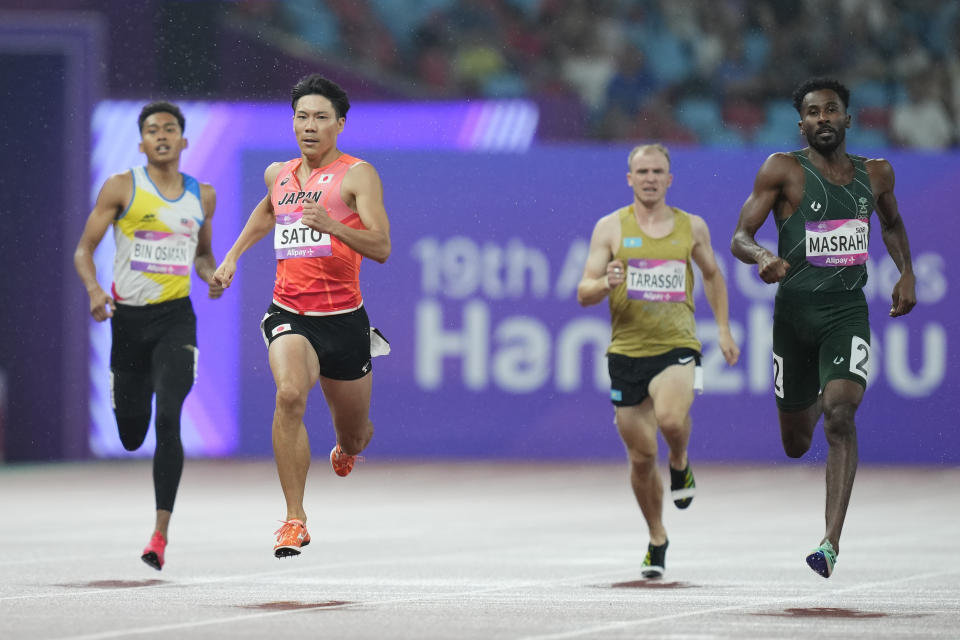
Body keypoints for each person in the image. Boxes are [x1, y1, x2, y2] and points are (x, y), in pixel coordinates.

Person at [730, 77, 916, 578]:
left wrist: (906, 271)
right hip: (793, 319)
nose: (822, 119)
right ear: (802, 124)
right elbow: (740, 236)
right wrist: (763, 255)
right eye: (813, 113)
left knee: (839, 416)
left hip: (846, 312)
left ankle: (830, 543)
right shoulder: (782, 169)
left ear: (847, 119)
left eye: (831, 110)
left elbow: (892, 224)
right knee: (795, 442)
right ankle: (810, 389)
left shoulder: (875, 174)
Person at [213, 74, 391, 558]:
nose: (309, 126)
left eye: (320, 118)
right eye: (301, 117)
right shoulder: (280, 175)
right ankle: (295, 519)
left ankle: (346, 450)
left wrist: (332, 224)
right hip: (290, 312)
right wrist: (231, 257)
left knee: (355, 435)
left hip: (345, 320)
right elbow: (266, 213)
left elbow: (382, 246)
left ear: (340, 123)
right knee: (290, 394)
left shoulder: (358, 175)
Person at [577, 144, 740, 579]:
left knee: (670, 420)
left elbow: (711, 273)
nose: (650, 178)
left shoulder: (692, 227)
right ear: (629, 178)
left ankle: (681, 461)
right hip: (627, 353)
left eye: (658, 171)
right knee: (642, 458)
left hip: (677, 344)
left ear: (670, 179)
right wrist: (604, 281)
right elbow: (583, 291)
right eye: (642, 171)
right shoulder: (610, 228)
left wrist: (722, 328)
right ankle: (656, 537)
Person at [73, 101, 222, 570]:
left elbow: (202, 256)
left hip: (176, 319)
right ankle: (127, 403)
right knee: (133, 435)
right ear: (141, 143)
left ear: (183, 141)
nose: (161, 135)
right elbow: (83, 250)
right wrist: (95, 289)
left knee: (170, 416)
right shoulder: (122, 187)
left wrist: (211, 274)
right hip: (129, 325)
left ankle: (159, 535)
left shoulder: (203, 196)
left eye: (169, 129)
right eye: (153, 130)